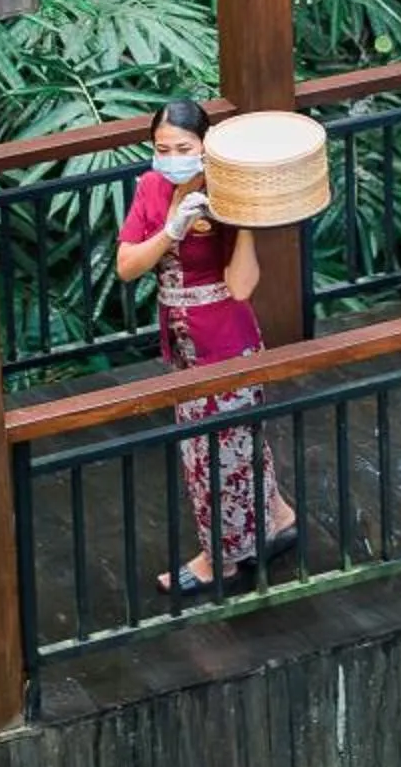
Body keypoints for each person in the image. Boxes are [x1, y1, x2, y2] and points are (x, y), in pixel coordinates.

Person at [116, 98, 297, 593]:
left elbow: (241, 286)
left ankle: (221, 559)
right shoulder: (152, 188)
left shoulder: (226, 189)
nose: (172, 156)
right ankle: (277, 517)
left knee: (215, 449)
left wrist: (240, 223)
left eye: (183, 147)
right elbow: (127, 265)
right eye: (162, 147)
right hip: (181, 337)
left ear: (204, 146)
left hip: (226, 336)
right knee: (225, 443)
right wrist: (170, 230)